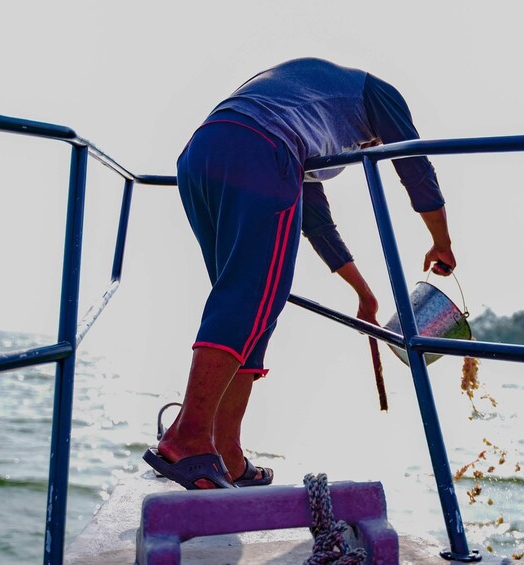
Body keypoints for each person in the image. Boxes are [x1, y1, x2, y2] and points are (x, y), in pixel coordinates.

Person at [143, 57, 457, 490]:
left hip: (203, 156)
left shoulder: (303, 105)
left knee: (251, 305)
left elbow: (318, 223)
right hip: (259, 150)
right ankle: (190, 436)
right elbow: (415, 167)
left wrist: (363, 293)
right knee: (251, 296)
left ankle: (227, 452)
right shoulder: (377, 94)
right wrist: (442, 242)